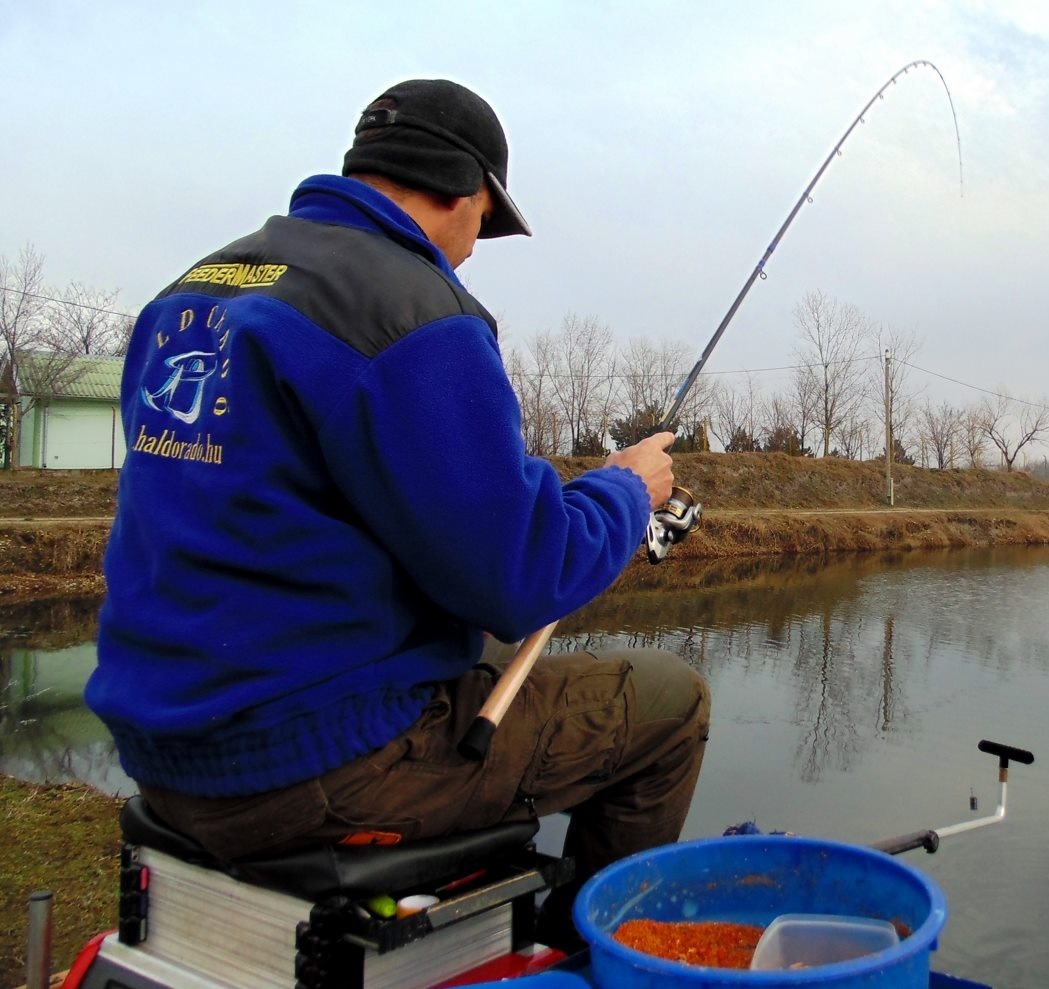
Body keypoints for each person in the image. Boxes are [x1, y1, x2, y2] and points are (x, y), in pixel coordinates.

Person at [85, 78, 710, 950]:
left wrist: (566, 500)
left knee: (489, 650)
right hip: (313, 766)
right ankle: (584, 957)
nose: (470, 252)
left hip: (163, 746)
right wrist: (626, 489)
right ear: (467, 191)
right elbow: (522, 577)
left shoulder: (195, 292)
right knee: (670, 705)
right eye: (483, 225)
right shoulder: (418, 315)